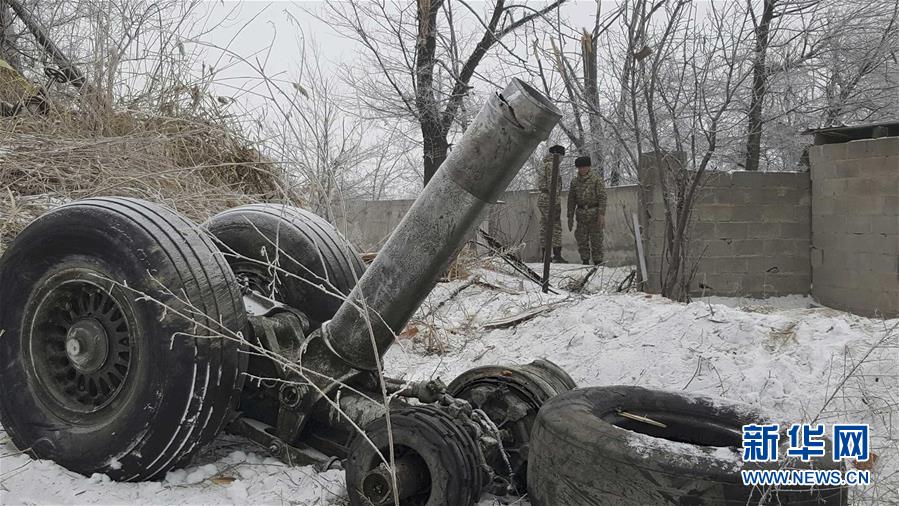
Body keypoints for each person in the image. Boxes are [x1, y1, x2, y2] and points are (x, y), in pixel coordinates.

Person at [567, 156, 606, 265]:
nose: (582, 170)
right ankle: (585, 261)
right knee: (582, 240)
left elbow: (602, 197)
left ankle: (598, 263)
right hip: (581, 215)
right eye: (580, 168)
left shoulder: (596, 180)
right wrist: (569, 217)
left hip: (594, 214)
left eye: (584, 167)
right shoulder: (574, 182)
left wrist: (601, 214)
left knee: (596, 240)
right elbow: (571, 200)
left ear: (589, 167)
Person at [537, 144, 567, 263]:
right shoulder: (552, 165)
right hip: (550, 198)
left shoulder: (544, 164)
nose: (562, 159)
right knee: (555, 226)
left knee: (544, 226)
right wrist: (554, 200)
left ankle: (545, 256)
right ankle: (557, 255)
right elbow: (552, 183)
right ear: (558, 155)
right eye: (562, 156)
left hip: (543, 198)